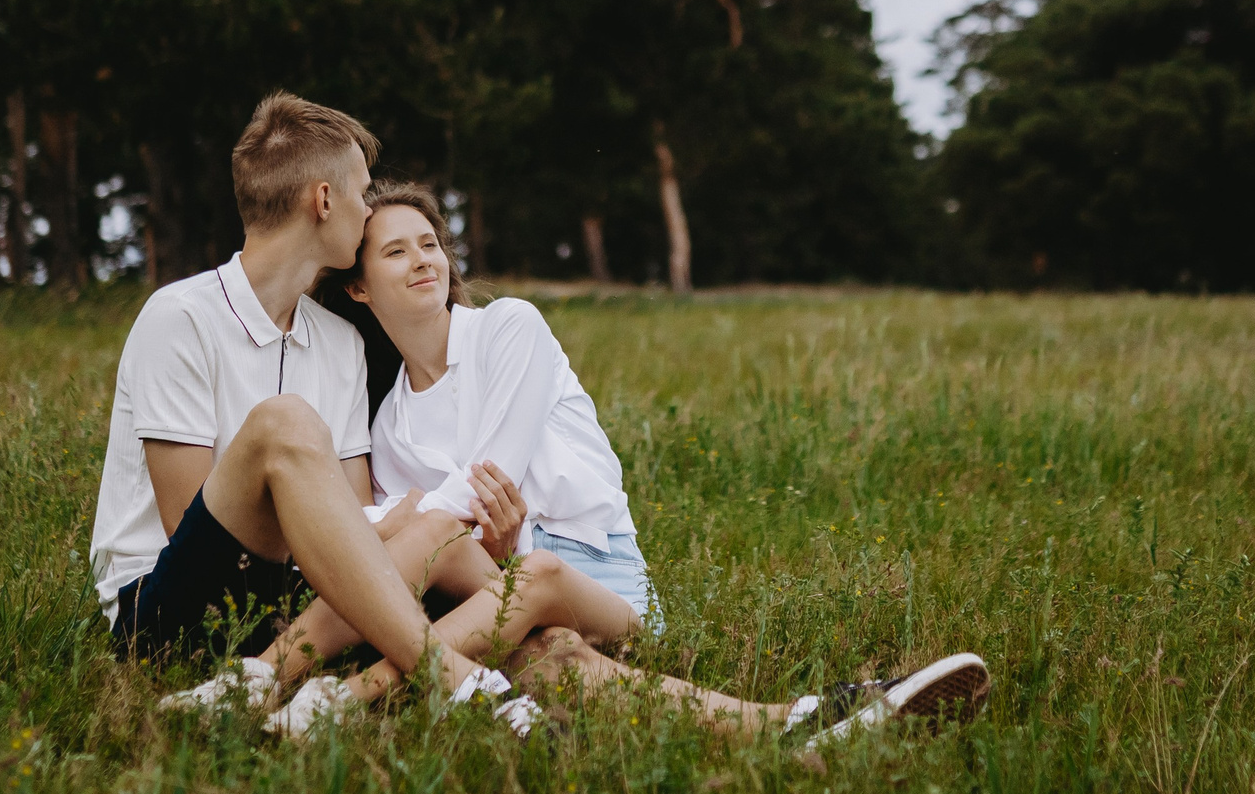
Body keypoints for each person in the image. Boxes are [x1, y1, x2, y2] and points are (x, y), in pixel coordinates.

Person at [170, 181, 989, 742]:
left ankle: (315, 689)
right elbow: (416, 538)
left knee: (510, 566)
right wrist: (453, 531)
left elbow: (483, 480)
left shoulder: (510, 329)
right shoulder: (389, 422)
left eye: (431, 243)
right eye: (395, 252)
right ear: (357, 288)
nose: (424, 259)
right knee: (550, 658)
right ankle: (804, 724)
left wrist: (437, 524)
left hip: (600, 579)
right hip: (501, 587)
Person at [85, 93, 538, 733]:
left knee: (439, 532)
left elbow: (355, 517)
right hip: (169, 610)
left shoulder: (339, 342)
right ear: (323, 201)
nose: (368, 209)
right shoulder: (179, 318)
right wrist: (355, 528)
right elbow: (187, 527)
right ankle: (454, 679)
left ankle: (565, 659)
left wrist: (402, 526)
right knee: (285, 423)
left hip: (292, 600)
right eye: (361, 191)